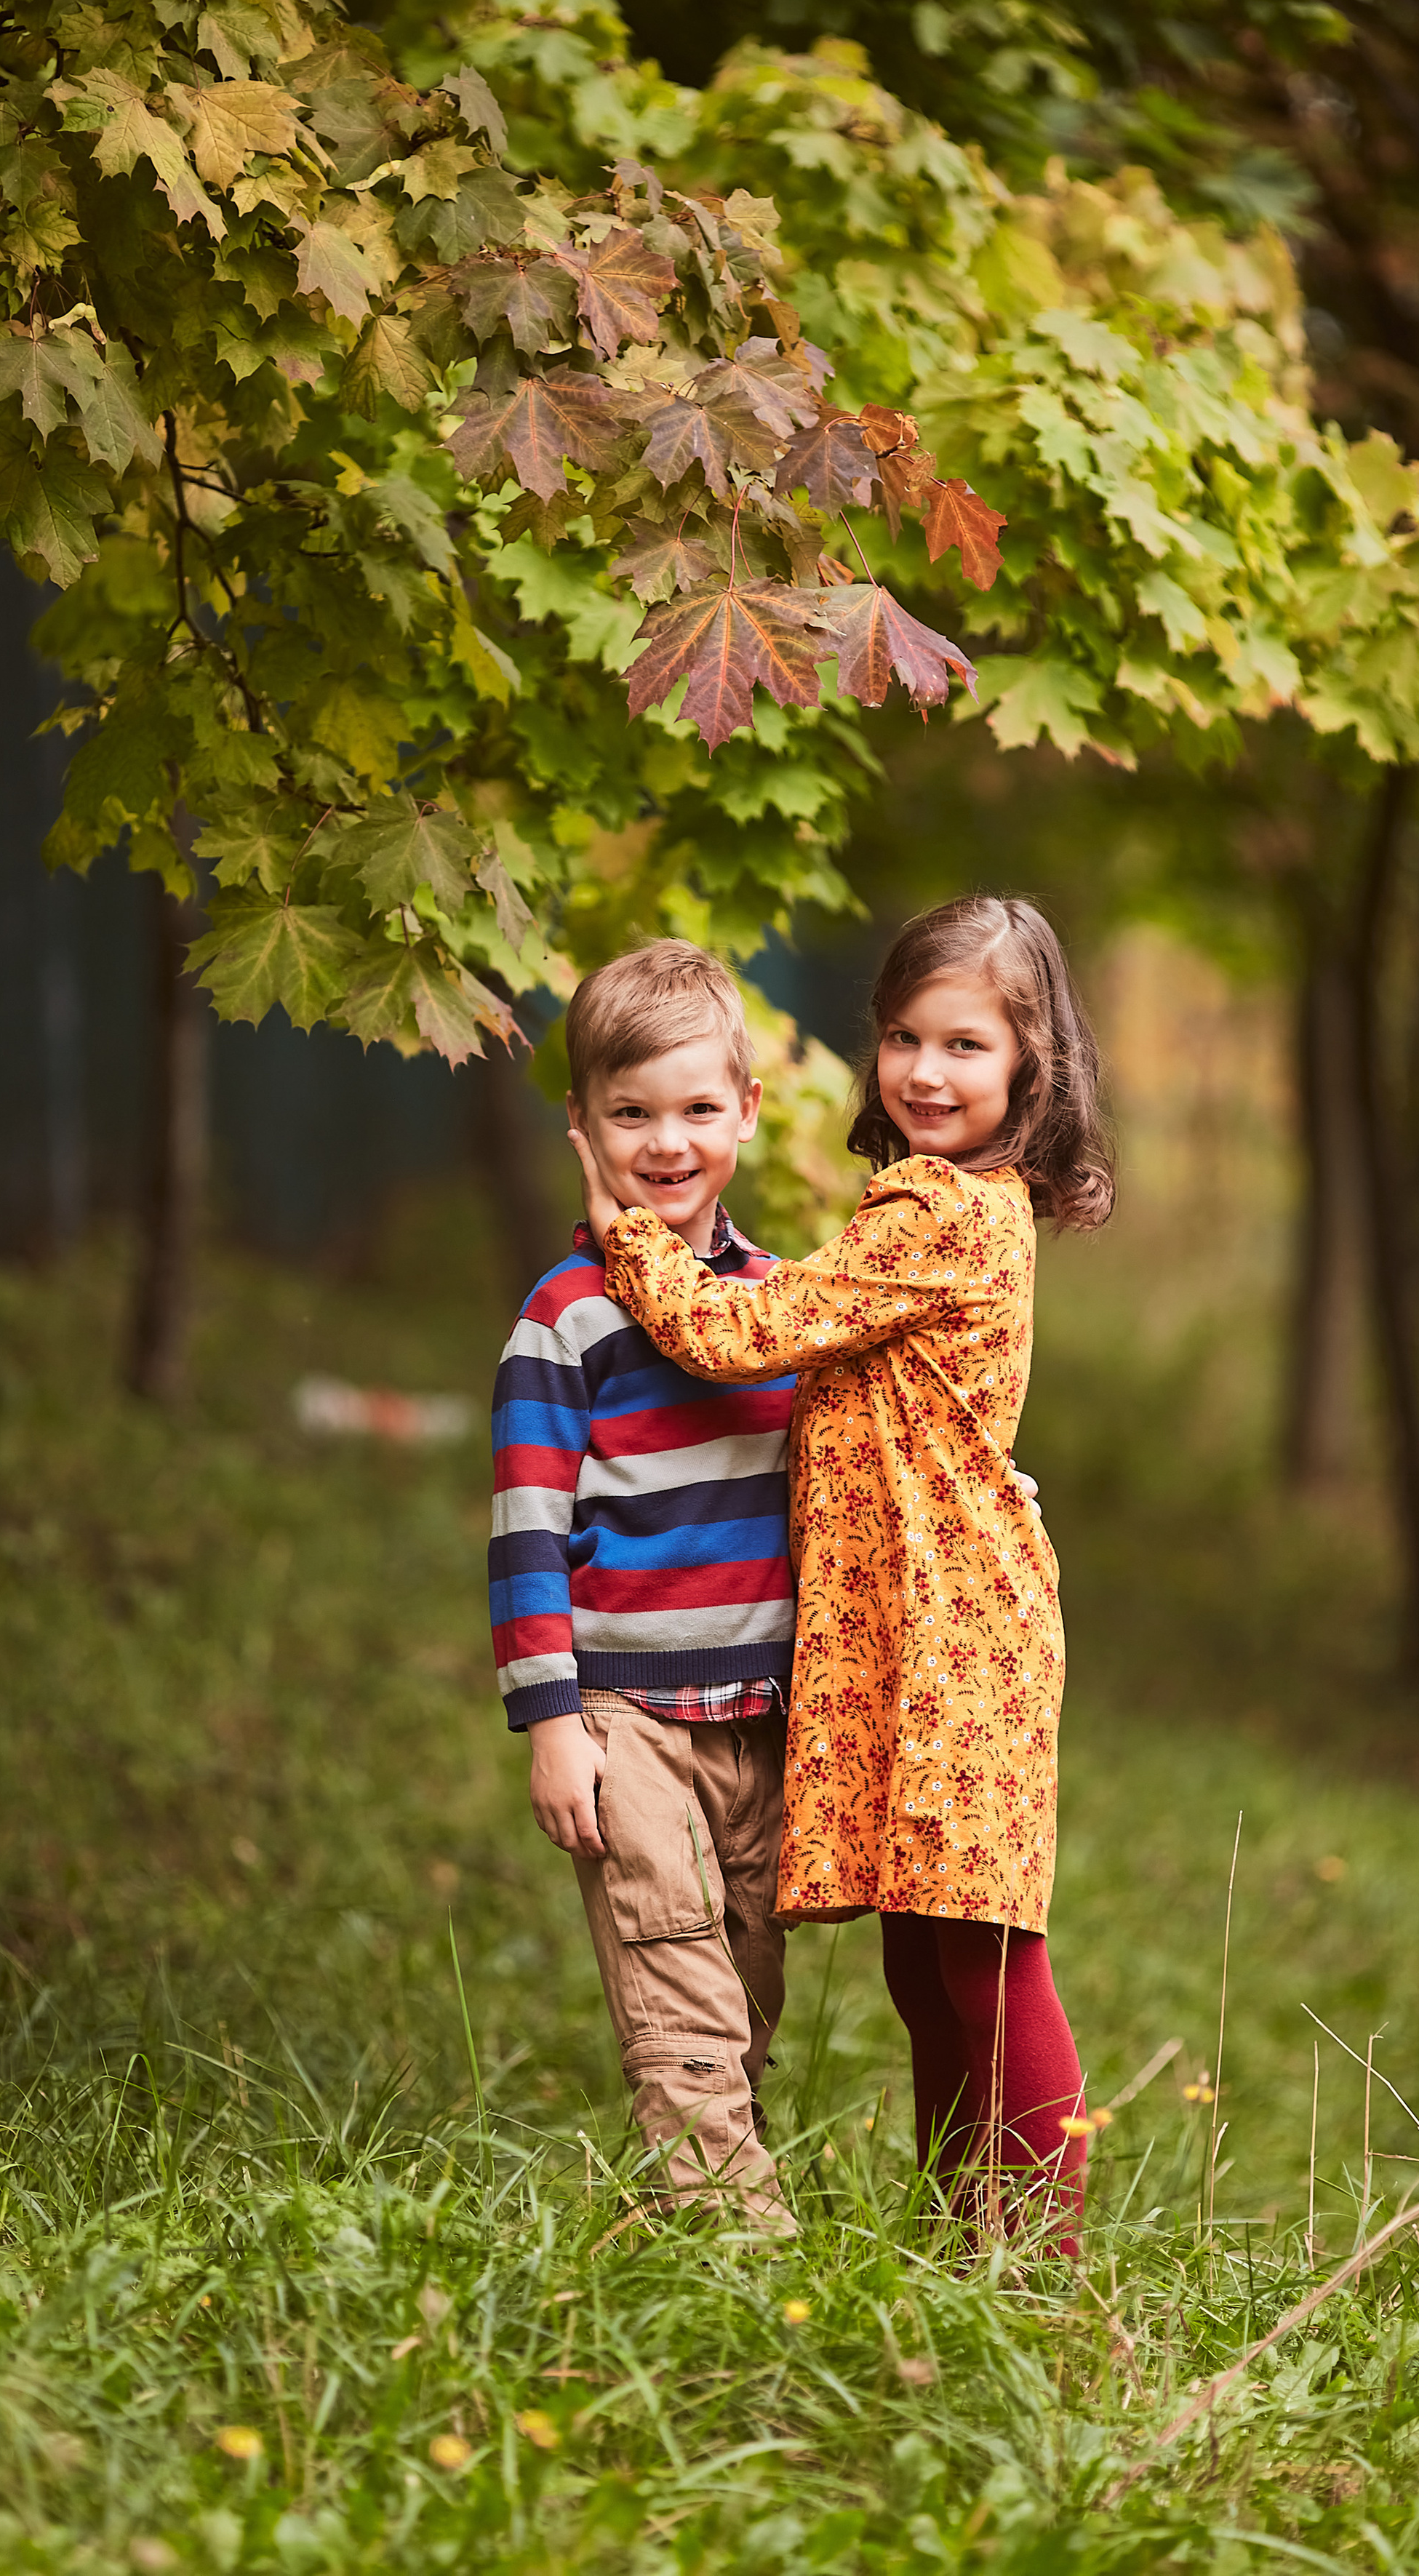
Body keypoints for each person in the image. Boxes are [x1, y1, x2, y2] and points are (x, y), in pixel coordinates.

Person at [567, 895, 1114, 2250]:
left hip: (957, 1625)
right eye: (903, 1038)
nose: (927, 1072)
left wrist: (624, 1232)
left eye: (968, 1046)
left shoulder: (942, 1212)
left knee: (981, 1947)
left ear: (1030, 1069)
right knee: (923, 1960)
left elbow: (745, 1334)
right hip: (914, 1613)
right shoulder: (932, 1203)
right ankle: (956, 2235)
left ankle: (1039, 2255)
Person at [489, 940, 797, 2224]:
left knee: (740, 1989)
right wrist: (555, 1724)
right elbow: (524, 1532)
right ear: (582, 1124)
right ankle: (747, 2260)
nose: (666, 1143)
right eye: (630, 1115)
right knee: (675, 1989)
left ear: (747, 1112)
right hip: (628, 1721)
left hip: (766, 1720)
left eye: (697, 1110)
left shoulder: (784, 1306)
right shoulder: (566, 1320)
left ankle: (677, 2215)